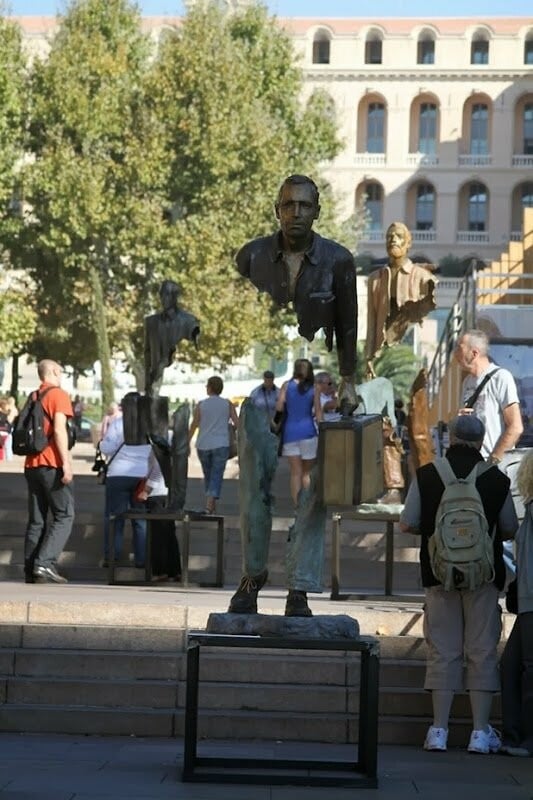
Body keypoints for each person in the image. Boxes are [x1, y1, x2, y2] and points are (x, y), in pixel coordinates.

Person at [399, 414, 518, 754]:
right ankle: (480, 733)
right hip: (483, 575)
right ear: (482, 441)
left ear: (449, 438)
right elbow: (509, 526)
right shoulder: (496, 478)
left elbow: (407, 522)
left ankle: (438, 730)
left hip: (439, 575)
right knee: (481, 651)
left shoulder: (427, 474)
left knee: (443, 651)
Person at [236, 174, 358, 414]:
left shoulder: (339, 260)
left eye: (305, 206)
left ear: (317, 212)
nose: (296, 213)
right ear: (277, 210)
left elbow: (348, 324)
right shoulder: (250, 256)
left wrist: (348, 379)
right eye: (288, 205)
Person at [23, 359, 75, 584]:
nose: (61, 375)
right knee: (65, 514)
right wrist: (66, 463)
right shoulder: (58, 395)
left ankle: (30, 568)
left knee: (37, 519)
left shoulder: (34, 396)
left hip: (31, 463)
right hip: (51, 462)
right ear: (53, 371)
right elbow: (59, 430)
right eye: (60, 371)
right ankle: (44, 563)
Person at [365, 222, 436, 375]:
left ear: (408, 243)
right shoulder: (375, 279)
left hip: (412, 354)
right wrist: (368, 356)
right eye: (389, 237)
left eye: (399, 236)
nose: (393, 240)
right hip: (382, 353)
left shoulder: (422, 277)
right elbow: (372, 320)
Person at [500, 450, 533, 757]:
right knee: (509, 667)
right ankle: (511, 735)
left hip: (531, 602)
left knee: (525, 669)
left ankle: (525, 739)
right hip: (526, 600)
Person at [455, 328, 524, 464]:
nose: (455, 353)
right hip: (470, 463)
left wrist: (494, 460)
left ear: (474, 353)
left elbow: (516, 426)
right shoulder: (467, 382)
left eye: (459, 348)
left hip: (493, 464)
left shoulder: (501, 377)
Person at [100, 415, 151, 568]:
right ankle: (142, 559)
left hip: (118, 474)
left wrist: (102, 443)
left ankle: (112, 557)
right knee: (141, 519)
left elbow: (107, 448)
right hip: (143, 474)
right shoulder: (149, 423)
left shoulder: (118, 423)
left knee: (114, 517)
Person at [188, 376, 239, 515]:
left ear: (209, 387)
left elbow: (194, 424)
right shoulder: (227, 404)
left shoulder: (201, 405)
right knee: (216, 475)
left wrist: (186, 441)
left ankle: (209, 505)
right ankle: (210, 506)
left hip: (203, 445)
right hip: (221, 444)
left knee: (208, 475)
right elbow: (237, 423)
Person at [276, 358, 322, 508]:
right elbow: (319, 413)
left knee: (295, 472)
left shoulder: (286, 386)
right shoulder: (314, 388)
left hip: (290, 433)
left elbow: (279, 407)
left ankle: (297, 506)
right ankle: (307, 504)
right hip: (308, 432)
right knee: (307, 473)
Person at [144, 280, 200, 396]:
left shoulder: (188, 321)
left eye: (167, 295)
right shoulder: (151, 322)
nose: (163, 299)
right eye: (161, 295)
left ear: (175, 297)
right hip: (155, 379)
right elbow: (147, 353)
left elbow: (196, 337)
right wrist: (148, 381)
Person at [136, 447, 181, 582]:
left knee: (158, 535)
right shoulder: (167, 446)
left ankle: (160, 570)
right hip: (167, 494)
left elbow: (157, 469)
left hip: (157, 494)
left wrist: (146, 490)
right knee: (169, 535)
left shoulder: (158, 447)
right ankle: (174, 570)